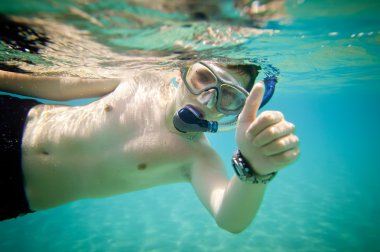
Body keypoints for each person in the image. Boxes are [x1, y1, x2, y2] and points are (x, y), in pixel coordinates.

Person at [0, 59, 299, 233]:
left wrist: (255, 167)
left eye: (228, 96)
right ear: (183, 70)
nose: (206, 98)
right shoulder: (139, 79)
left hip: (12, 195)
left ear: (233, 111)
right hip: (11, 118)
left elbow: (229, 219)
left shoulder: (195, 157)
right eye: (203, 78)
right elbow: (57, 87)